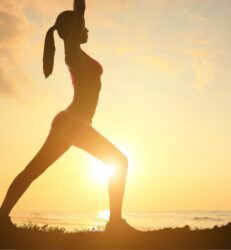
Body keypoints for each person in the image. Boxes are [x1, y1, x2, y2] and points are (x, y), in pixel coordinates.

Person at [0, 0, 132, 232]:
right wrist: (79, 10)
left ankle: (114, 224)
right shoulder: (72, 53)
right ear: (72, 31)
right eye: (83, 26)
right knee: (117, 162)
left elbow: (79, 18)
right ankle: (114, 226)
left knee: (118, 163)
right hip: (72, 124)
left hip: (77, 125)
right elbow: (79, 11)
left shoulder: (76, 54)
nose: (87, 29)